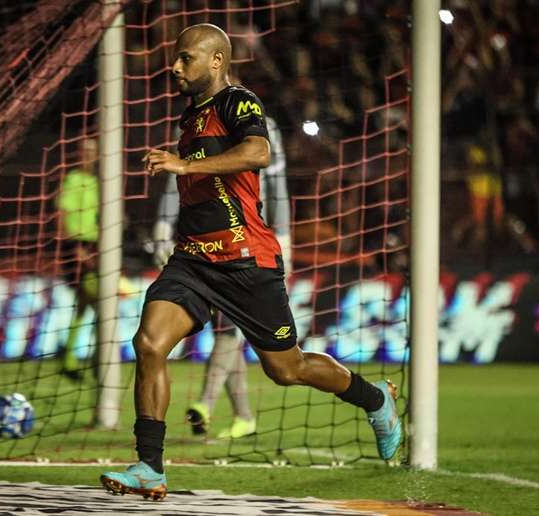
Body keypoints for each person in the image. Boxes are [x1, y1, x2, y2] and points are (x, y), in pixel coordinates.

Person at [100, 24, 401, 501]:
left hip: (246, 260)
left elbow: (257, 152)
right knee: (150, 343)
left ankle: (375, 399)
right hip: (194, 260)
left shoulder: (238, 102)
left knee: (286, 369)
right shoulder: (190, 116)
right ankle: (150, 466)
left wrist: (185, 165)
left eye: (185, 59)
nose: (175, 67)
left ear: (216, 61)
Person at [153, 114, 291, 440]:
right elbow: (176, 185)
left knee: (231, 327)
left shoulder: (262, 126)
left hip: (252, 243)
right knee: (227, 328)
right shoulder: (188, 127)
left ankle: (206, 403)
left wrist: (283, 237)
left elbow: (277, 184)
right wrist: (162, 228)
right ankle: (244, 416)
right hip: (205, 242)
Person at [56, 137, 99, 380]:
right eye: (84, 150)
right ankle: (93, 360)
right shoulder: (73, 179)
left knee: (84, 307)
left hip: (95, 247)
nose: (87, 155)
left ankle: (70, 358)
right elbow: (63, 214)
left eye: (92, 151)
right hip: (77, 247)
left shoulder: (98, 182)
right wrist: (74, 247)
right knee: (97, 303)